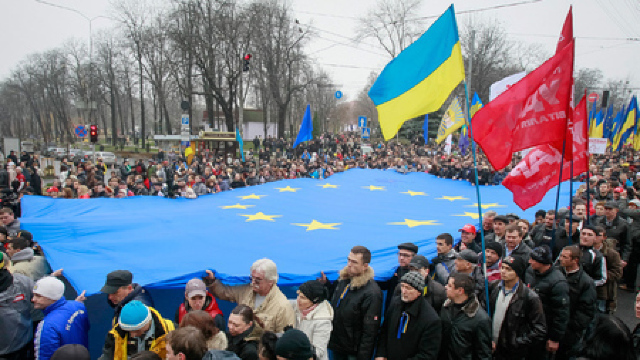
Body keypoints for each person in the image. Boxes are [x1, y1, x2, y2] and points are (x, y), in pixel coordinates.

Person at [205, 258, 294, 339]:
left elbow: (285, 338)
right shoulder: (246, 290)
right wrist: (212, 281)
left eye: (258, 280)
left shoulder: (282, 306)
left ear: (271, 281)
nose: (253, 282)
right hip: (239, 341)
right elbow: (224, 292)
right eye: (252, 278)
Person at [322, 245, 382, 360]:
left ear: (365, 266)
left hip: (353, 352)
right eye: (348, 260)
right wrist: (326, 285)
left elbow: (370, 331)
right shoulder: (344, 280)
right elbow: (335, 301)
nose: (349, 264)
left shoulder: (372, 293)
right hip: (336, 345)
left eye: (354, 262)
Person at [489, 256, 546, 360]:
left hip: (512, 352)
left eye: (508, 269)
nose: (503, 272)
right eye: (503, 267)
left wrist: (516, 342)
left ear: (517, 272)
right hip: (492, 346)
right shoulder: (494, 288)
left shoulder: (529, 297)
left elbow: (539, 329)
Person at [375, 272, 442, 360]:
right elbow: (384, 331)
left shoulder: (430, 319)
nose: (404, 291)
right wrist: (381, 354)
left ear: (419, 292)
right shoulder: (395, 303)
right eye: (402, 286)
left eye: (408, 288)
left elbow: (427, 354)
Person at [524, 245, 570, 359]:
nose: (530, 262)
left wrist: (554, 338)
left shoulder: (558, 283)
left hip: (545, 329)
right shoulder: (530, 271)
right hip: (529, 325)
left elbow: (561, 313)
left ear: (542, 262)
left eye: (533, 260)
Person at [32, 276, 90, 360]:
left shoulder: (47, 327)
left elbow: (44, 357)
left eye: (38, 296)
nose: (33, 299)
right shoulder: (78, 306)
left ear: (51, 297)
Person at [439, 273, 492, 360]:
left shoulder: (480, 319)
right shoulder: (445, 307)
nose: (445, 287)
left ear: (460, 291)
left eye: (449, 285)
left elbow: (484, 353)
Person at [556, 245, 596, 360]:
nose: (560, 259)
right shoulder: (556, 272)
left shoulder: (586, 282)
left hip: (570, 332)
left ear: (575, 260)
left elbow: (586, 311)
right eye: (561, 256)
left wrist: (570, 328)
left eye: (565, 257)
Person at [100, 300, 175, 359]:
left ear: (148, 322)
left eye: (136, 330)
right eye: (128, 331)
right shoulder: (114, 336)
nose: (132, 335)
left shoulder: (172, 331)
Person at [0, 252, 34, 360]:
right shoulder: (24, 282)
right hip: (21, 344)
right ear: (6, 264)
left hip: (20, 345)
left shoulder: (23, 282)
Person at [290, 280, 332, 360]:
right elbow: (283, 304)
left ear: (315, 300)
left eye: (303, 298)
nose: (298, 300)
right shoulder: (298, 307)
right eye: (298, 295)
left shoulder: (323, 321)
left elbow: (318, 352)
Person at [378, 242, 417, 313]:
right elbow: (385, 286)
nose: (401, 258)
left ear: (414, 257)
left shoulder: (416, 277)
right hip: (391, 311)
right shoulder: (394, 270)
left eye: (406, 255)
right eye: (400, 254)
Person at [593, 225, 623, 313]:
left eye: (599, 235)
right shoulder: (584, 251)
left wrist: (601, 275)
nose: (595, 238)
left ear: (604, 237)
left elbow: (617, 273)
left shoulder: (612, 254)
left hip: (604, 291)